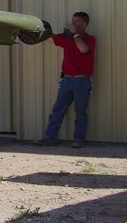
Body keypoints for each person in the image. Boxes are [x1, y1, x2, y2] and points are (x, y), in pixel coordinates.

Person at [41, 11, 96, 147]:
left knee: (80, 112)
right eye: (73, 21)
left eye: (77, 22)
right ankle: (49, 138)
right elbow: (50, 39)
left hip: (82, 81)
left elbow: (83, 49)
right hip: (66, 80)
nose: (73, 24)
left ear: (85, 24)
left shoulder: (90, 39)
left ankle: (78, 140)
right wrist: (37, 32)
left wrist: (75, 35)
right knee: (57, 110)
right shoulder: (66, 38)